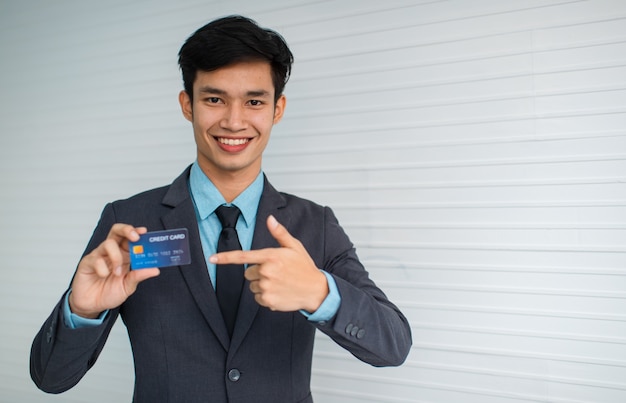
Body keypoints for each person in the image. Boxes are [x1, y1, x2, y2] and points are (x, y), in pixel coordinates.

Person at [30, 15, 412, 403]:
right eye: (214, 99)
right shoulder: (128, 222)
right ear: (187, 104)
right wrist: (81, 310)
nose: (233, 121)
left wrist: (320, 293)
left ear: (277, 109)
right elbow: (50, 378)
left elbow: (393, 345)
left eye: (254, 101)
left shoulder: (316, 225)